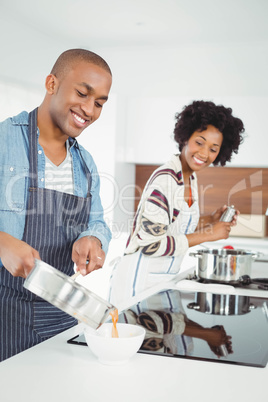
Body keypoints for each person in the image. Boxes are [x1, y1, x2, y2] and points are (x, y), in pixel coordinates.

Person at [0, 48, 112, 361]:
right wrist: (2, 241)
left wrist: (93, 239)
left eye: (100, 103)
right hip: (5, 314)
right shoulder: (4, 141)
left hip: (62, 315)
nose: (89, 109)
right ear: (51, 84)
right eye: (83, 93)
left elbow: (98, 221)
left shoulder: (85, 163)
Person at [109, 100, 245, 306]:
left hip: (158, 281)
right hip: (136, 284)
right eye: (199, 142)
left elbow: (173, 226)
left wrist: (210, 220)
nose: (204, 154)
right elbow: (151, 244)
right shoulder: (167, 180)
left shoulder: (189, 177)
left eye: (213, 149)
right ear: (185, 137)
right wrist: (210, 233)